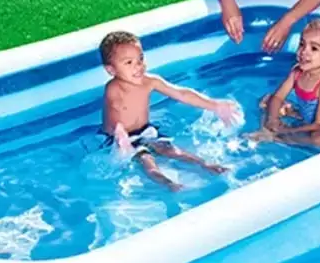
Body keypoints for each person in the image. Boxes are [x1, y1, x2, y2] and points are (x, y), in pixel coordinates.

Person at [100, 30, 239, 192]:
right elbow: (113, 111)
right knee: (147, 161)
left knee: (173, 150)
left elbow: (181, 93)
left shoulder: (150, 81)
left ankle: (205, 165)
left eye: (140, 58)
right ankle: (168, 183)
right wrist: (120, 136)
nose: (138, 66)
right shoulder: (113, 88)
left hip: (146, 131)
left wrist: (214, 105)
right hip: (122, 137)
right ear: (111, 70)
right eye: (129, 62)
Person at [250, 13, 320, 148]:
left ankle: (275, 138)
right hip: (303, 117)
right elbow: (278, 97)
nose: (304, 51)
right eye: (302, 44)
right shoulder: (297, 71)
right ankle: (266, 130)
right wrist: (273, 120)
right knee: (267, 100)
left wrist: (286, 130)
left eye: (314, 48)